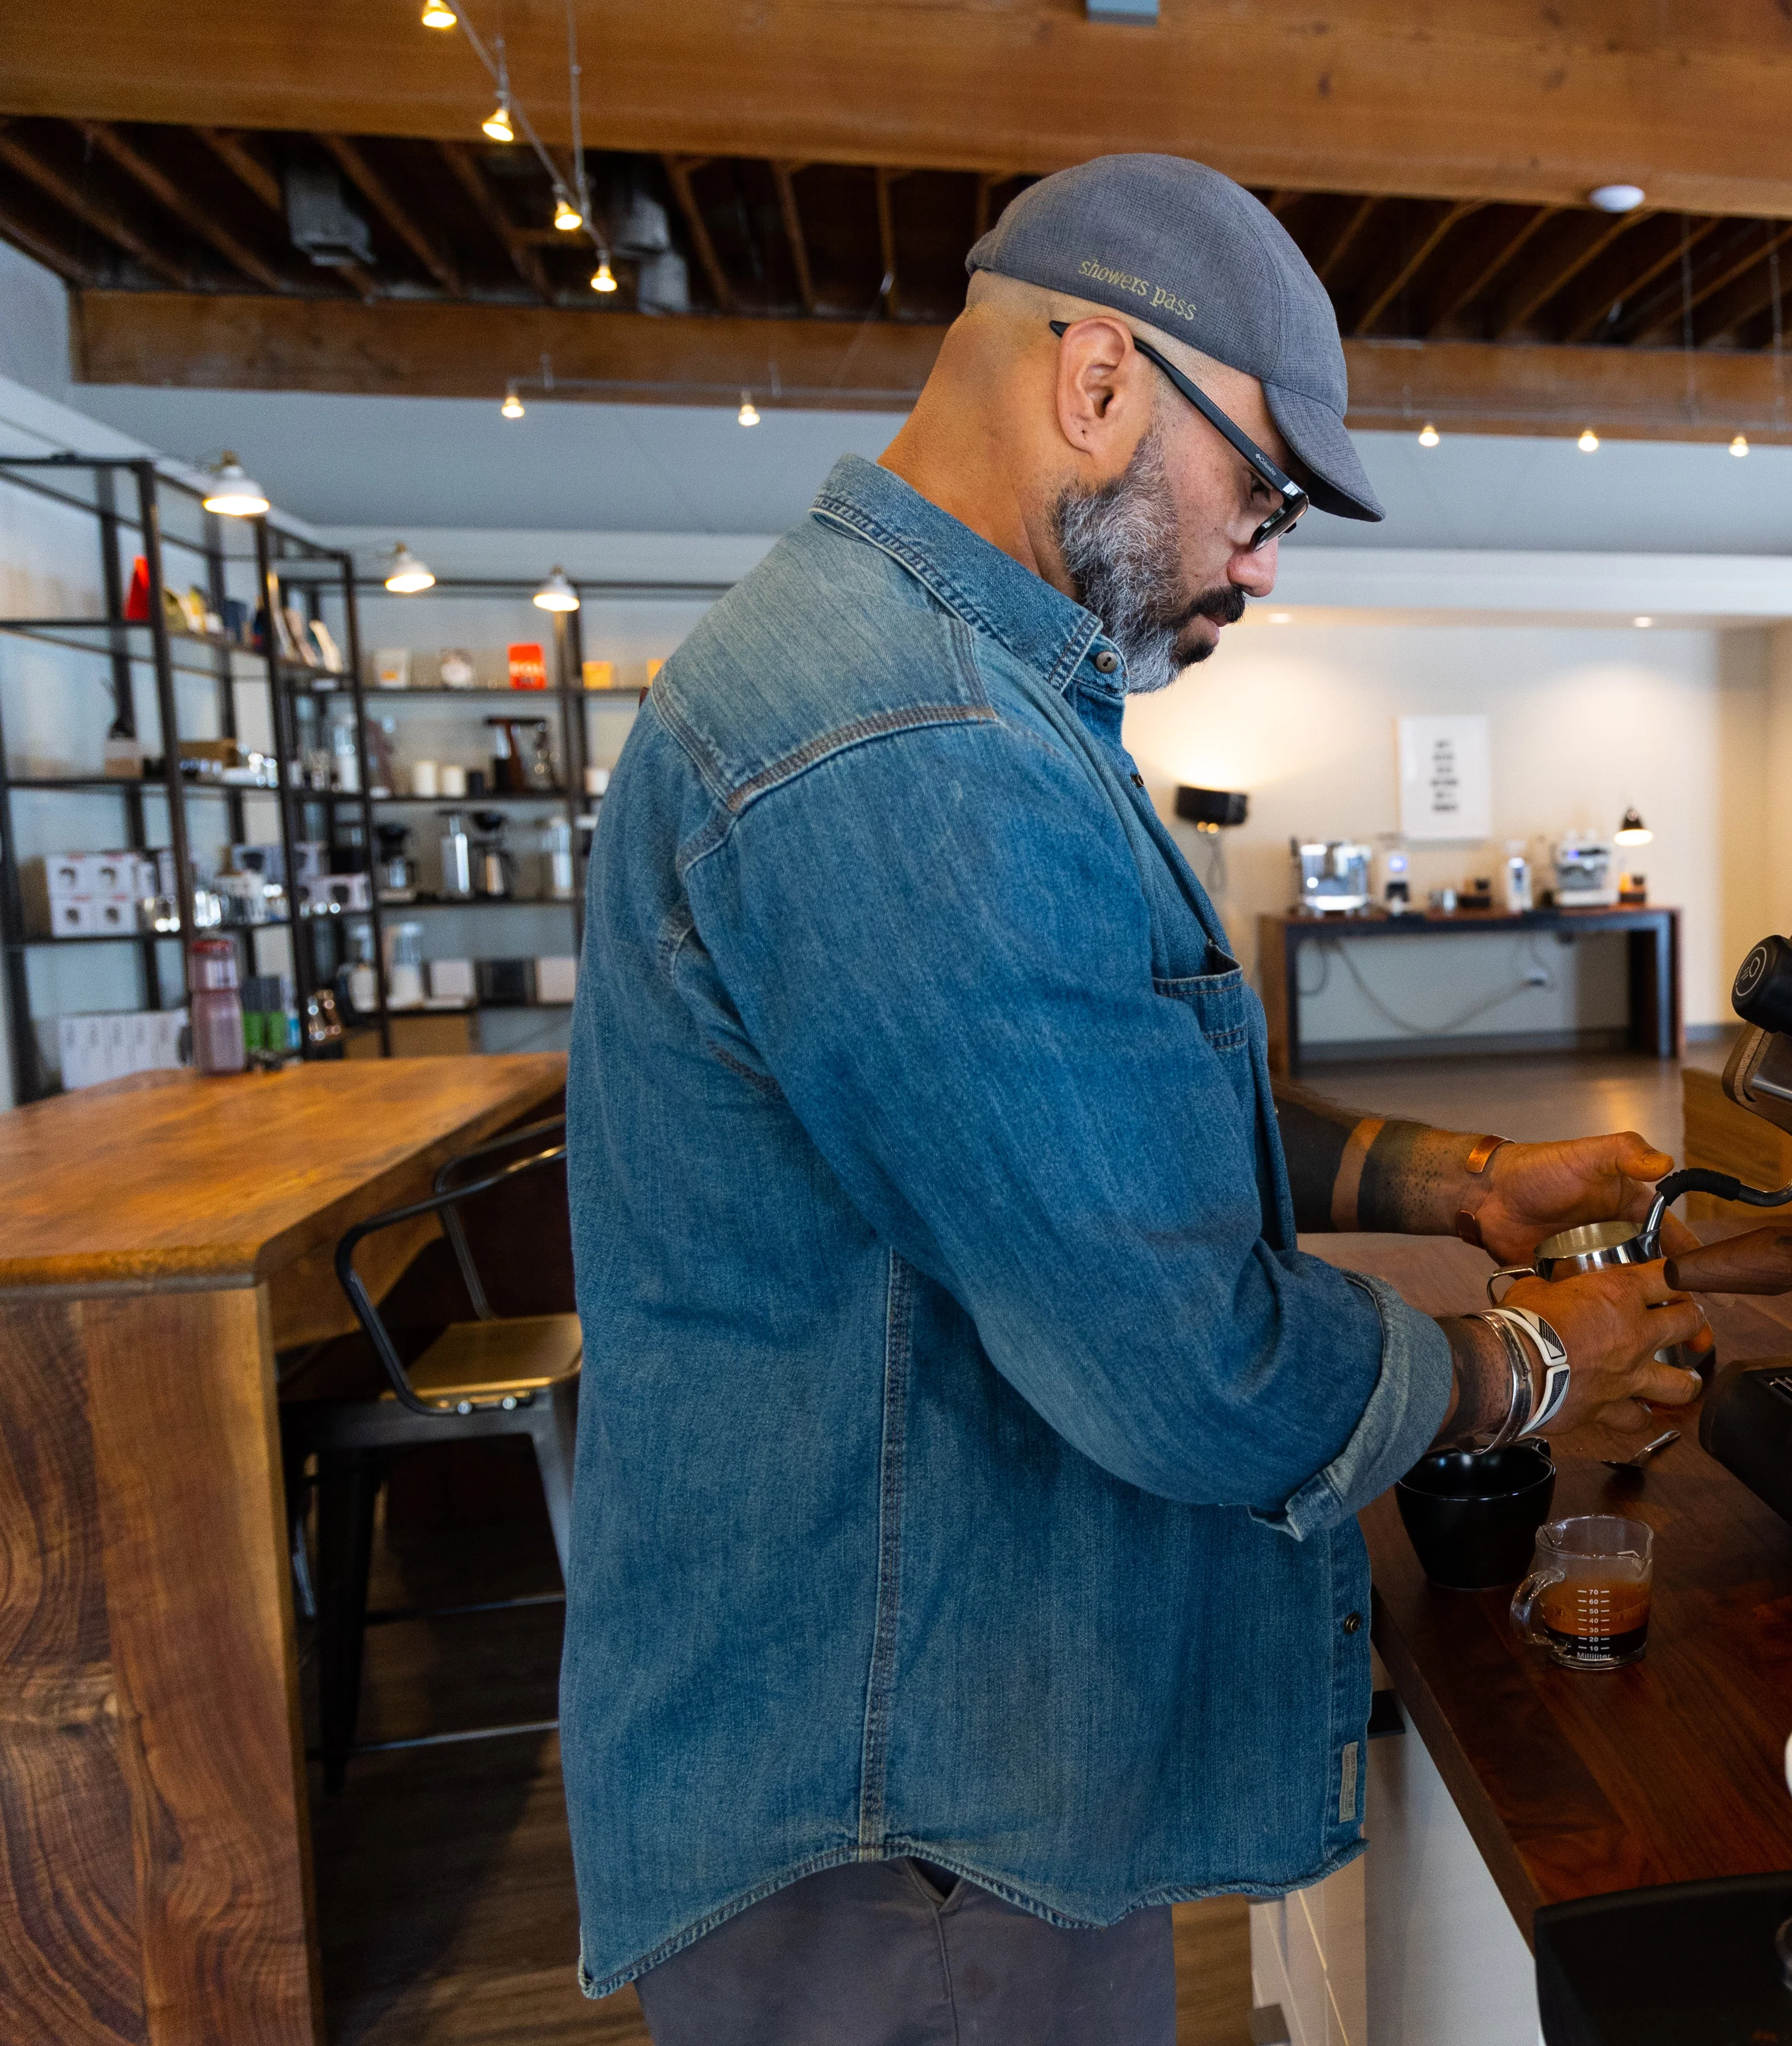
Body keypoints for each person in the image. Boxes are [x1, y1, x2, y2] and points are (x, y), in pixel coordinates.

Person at [558, 155, 1712, 2046]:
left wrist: (1461, 1173)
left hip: (923, 1761)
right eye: (1260, 489)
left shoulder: (953, 693)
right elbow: (1181, 1360)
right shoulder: (908, 746)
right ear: (1096, 382)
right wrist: (1530, 1357)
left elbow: (1095, 1087)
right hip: (903, 1809)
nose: (1262, 557)